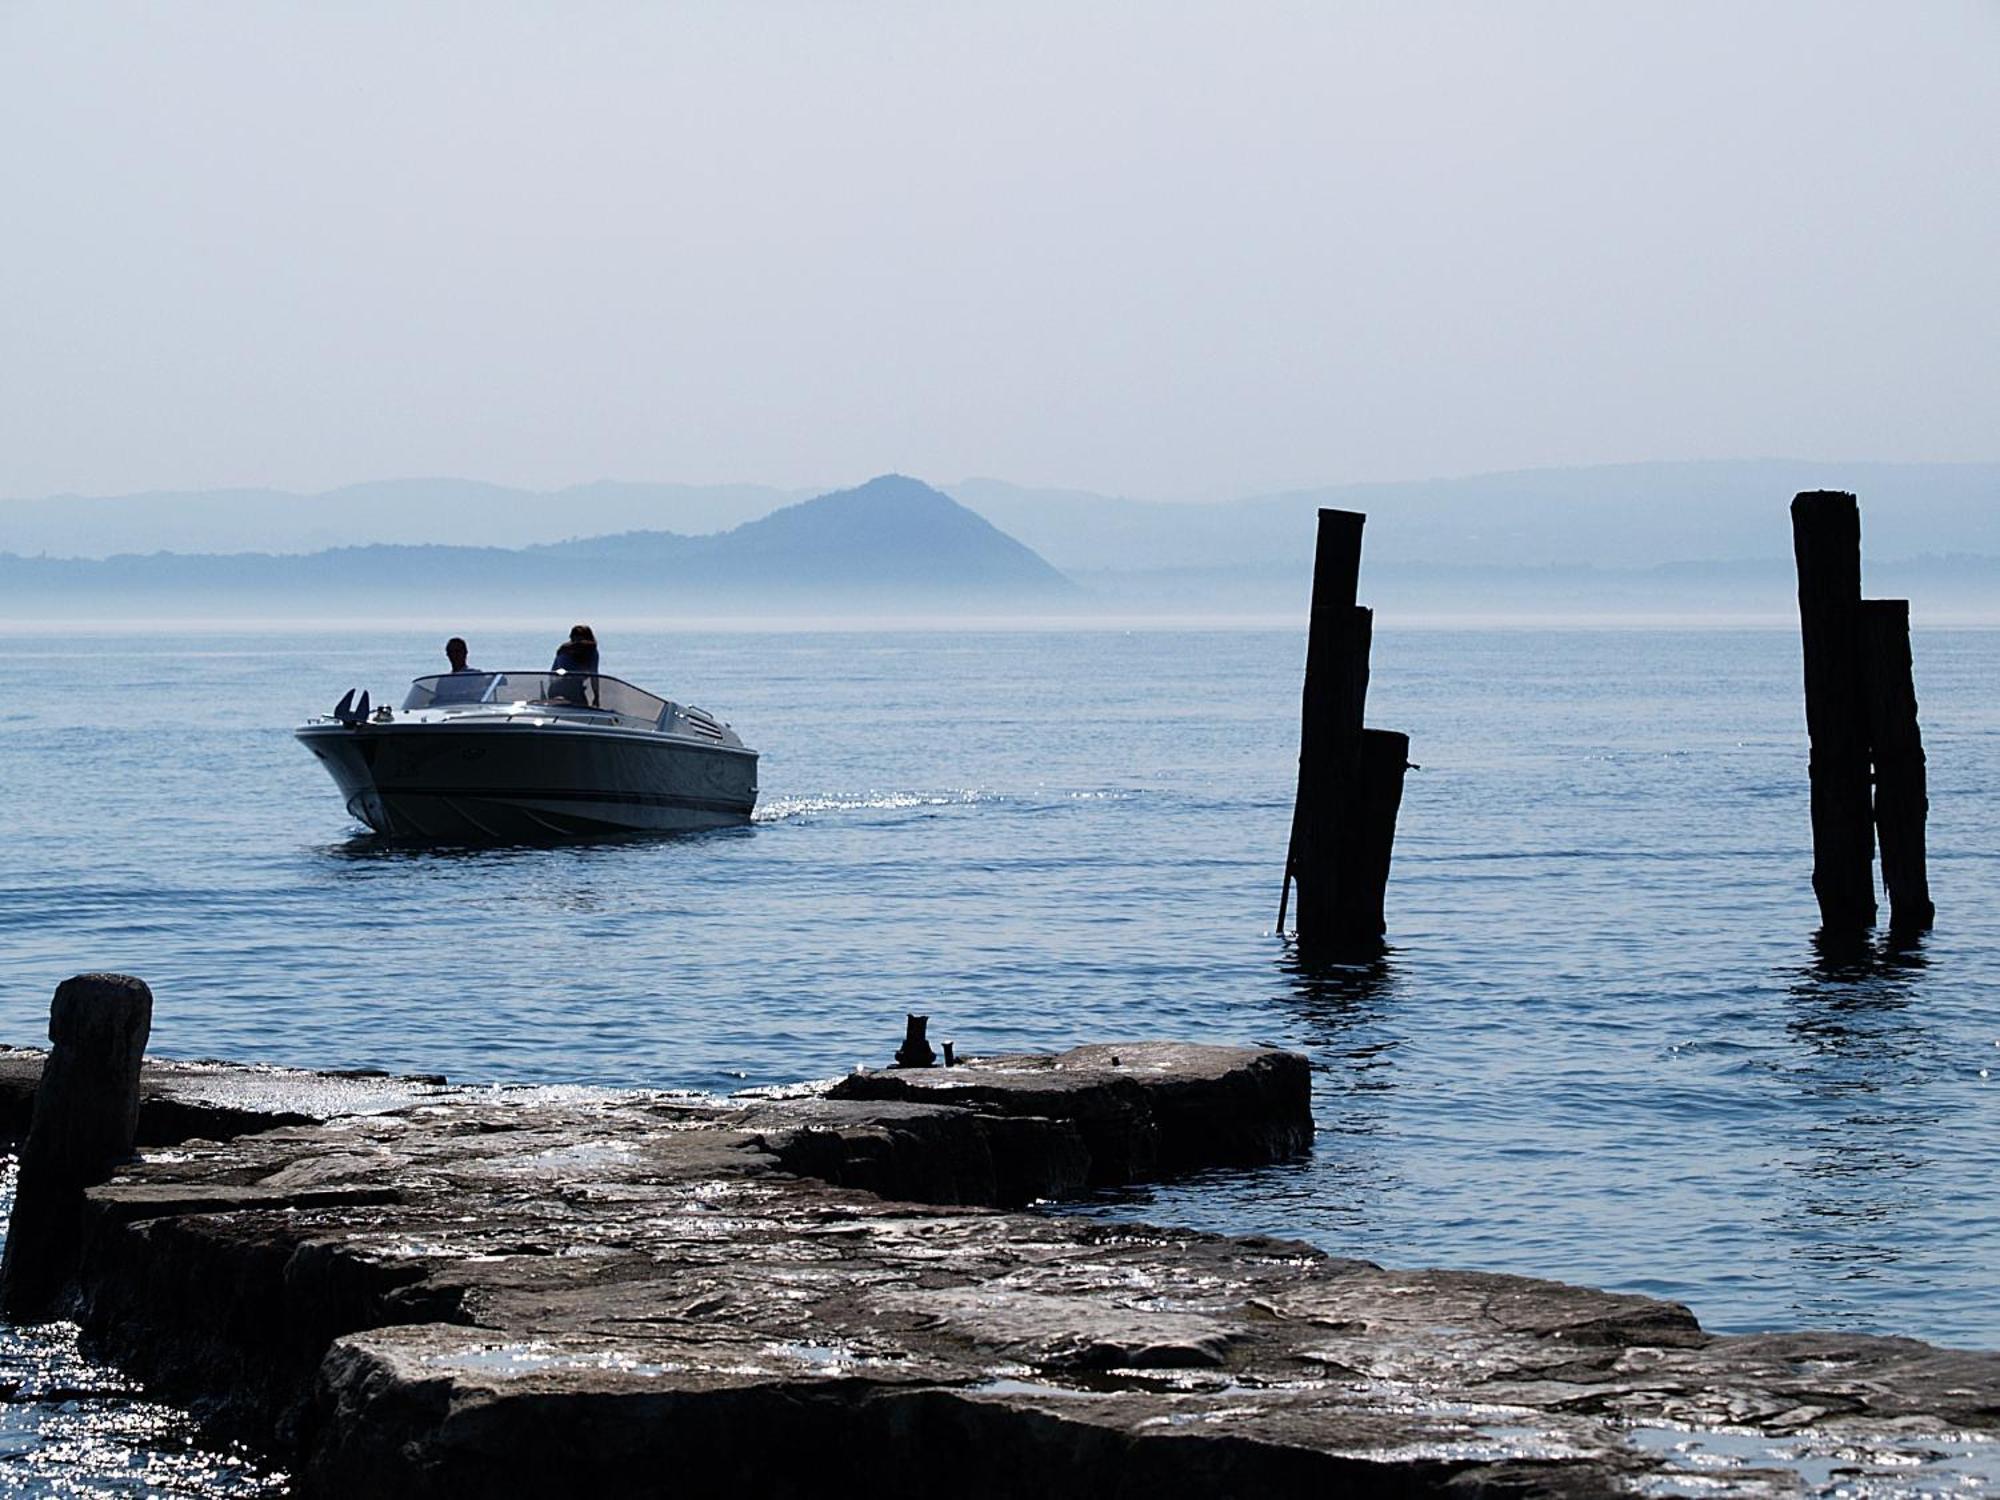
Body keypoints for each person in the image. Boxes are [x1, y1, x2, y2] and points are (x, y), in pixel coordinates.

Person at [549, 624, 598, 705]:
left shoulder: (592, 652)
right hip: (560, 688)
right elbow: (560, 671)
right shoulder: (564, 651)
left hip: (576, 688)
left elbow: (594, 676)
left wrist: (596, 695)